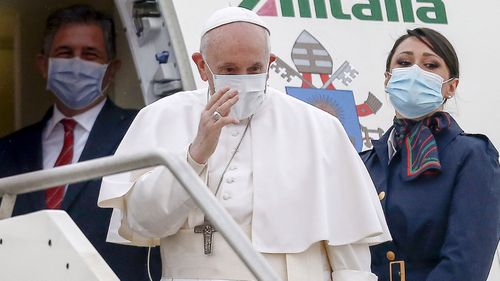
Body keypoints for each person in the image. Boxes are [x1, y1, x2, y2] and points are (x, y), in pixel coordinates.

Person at [98, 7, 390, 281]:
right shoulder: (161, 117)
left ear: (270, 64)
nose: (244, 79)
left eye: (254, 69)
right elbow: (142, 223)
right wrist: (194, 156)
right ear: (202, 66)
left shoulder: (319, 128)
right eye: (229, 69)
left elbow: (350, 249)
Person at [0, 4, 161, 280]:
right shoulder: (7, 149)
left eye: (90, 55)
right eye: (65, 53)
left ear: (112, 70)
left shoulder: (143, 132)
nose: (77, 63)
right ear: (44, 65)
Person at [360, 27, 500, 281]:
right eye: (404, 62)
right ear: (387, 79)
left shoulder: (471, 155)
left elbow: (466, 265)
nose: (415, 71)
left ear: (451, 86)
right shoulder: (366, 162)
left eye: (431, 65)